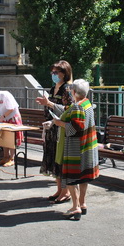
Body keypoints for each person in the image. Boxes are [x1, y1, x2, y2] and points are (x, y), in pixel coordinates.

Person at [52, 79, 99, 221]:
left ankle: (75, 207)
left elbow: (75, 128)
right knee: (84, 177)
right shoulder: (87, 103)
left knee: (72, 179)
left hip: (76, 148)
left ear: (74, 92)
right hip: (87, 146)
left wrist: (59, 123)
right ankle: (82, 204)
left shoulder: (78, 107)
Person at [35, 60, 73, 203]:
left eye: (56, 72)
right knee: (54, 160)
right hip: (52, 128)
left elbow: (69, 110)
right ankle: (59, 190)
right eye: (52, 72)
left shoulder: (67, 89)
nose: (53, 74)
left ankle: (66, 192)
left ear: (64, 73)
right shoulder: (53, 89)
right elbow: (51, 109)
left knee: (61, 160)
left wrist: (49, 104)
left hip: (61, 130)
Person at [0, 90, 24, 166]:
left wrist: (3, 116)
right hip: (4, 118)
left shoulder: (4, 95)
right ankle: (5, 157)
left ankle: (12, 158)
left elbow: (11, 108)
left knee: (12, 138)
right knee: (4, 138)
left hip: (12, 117)